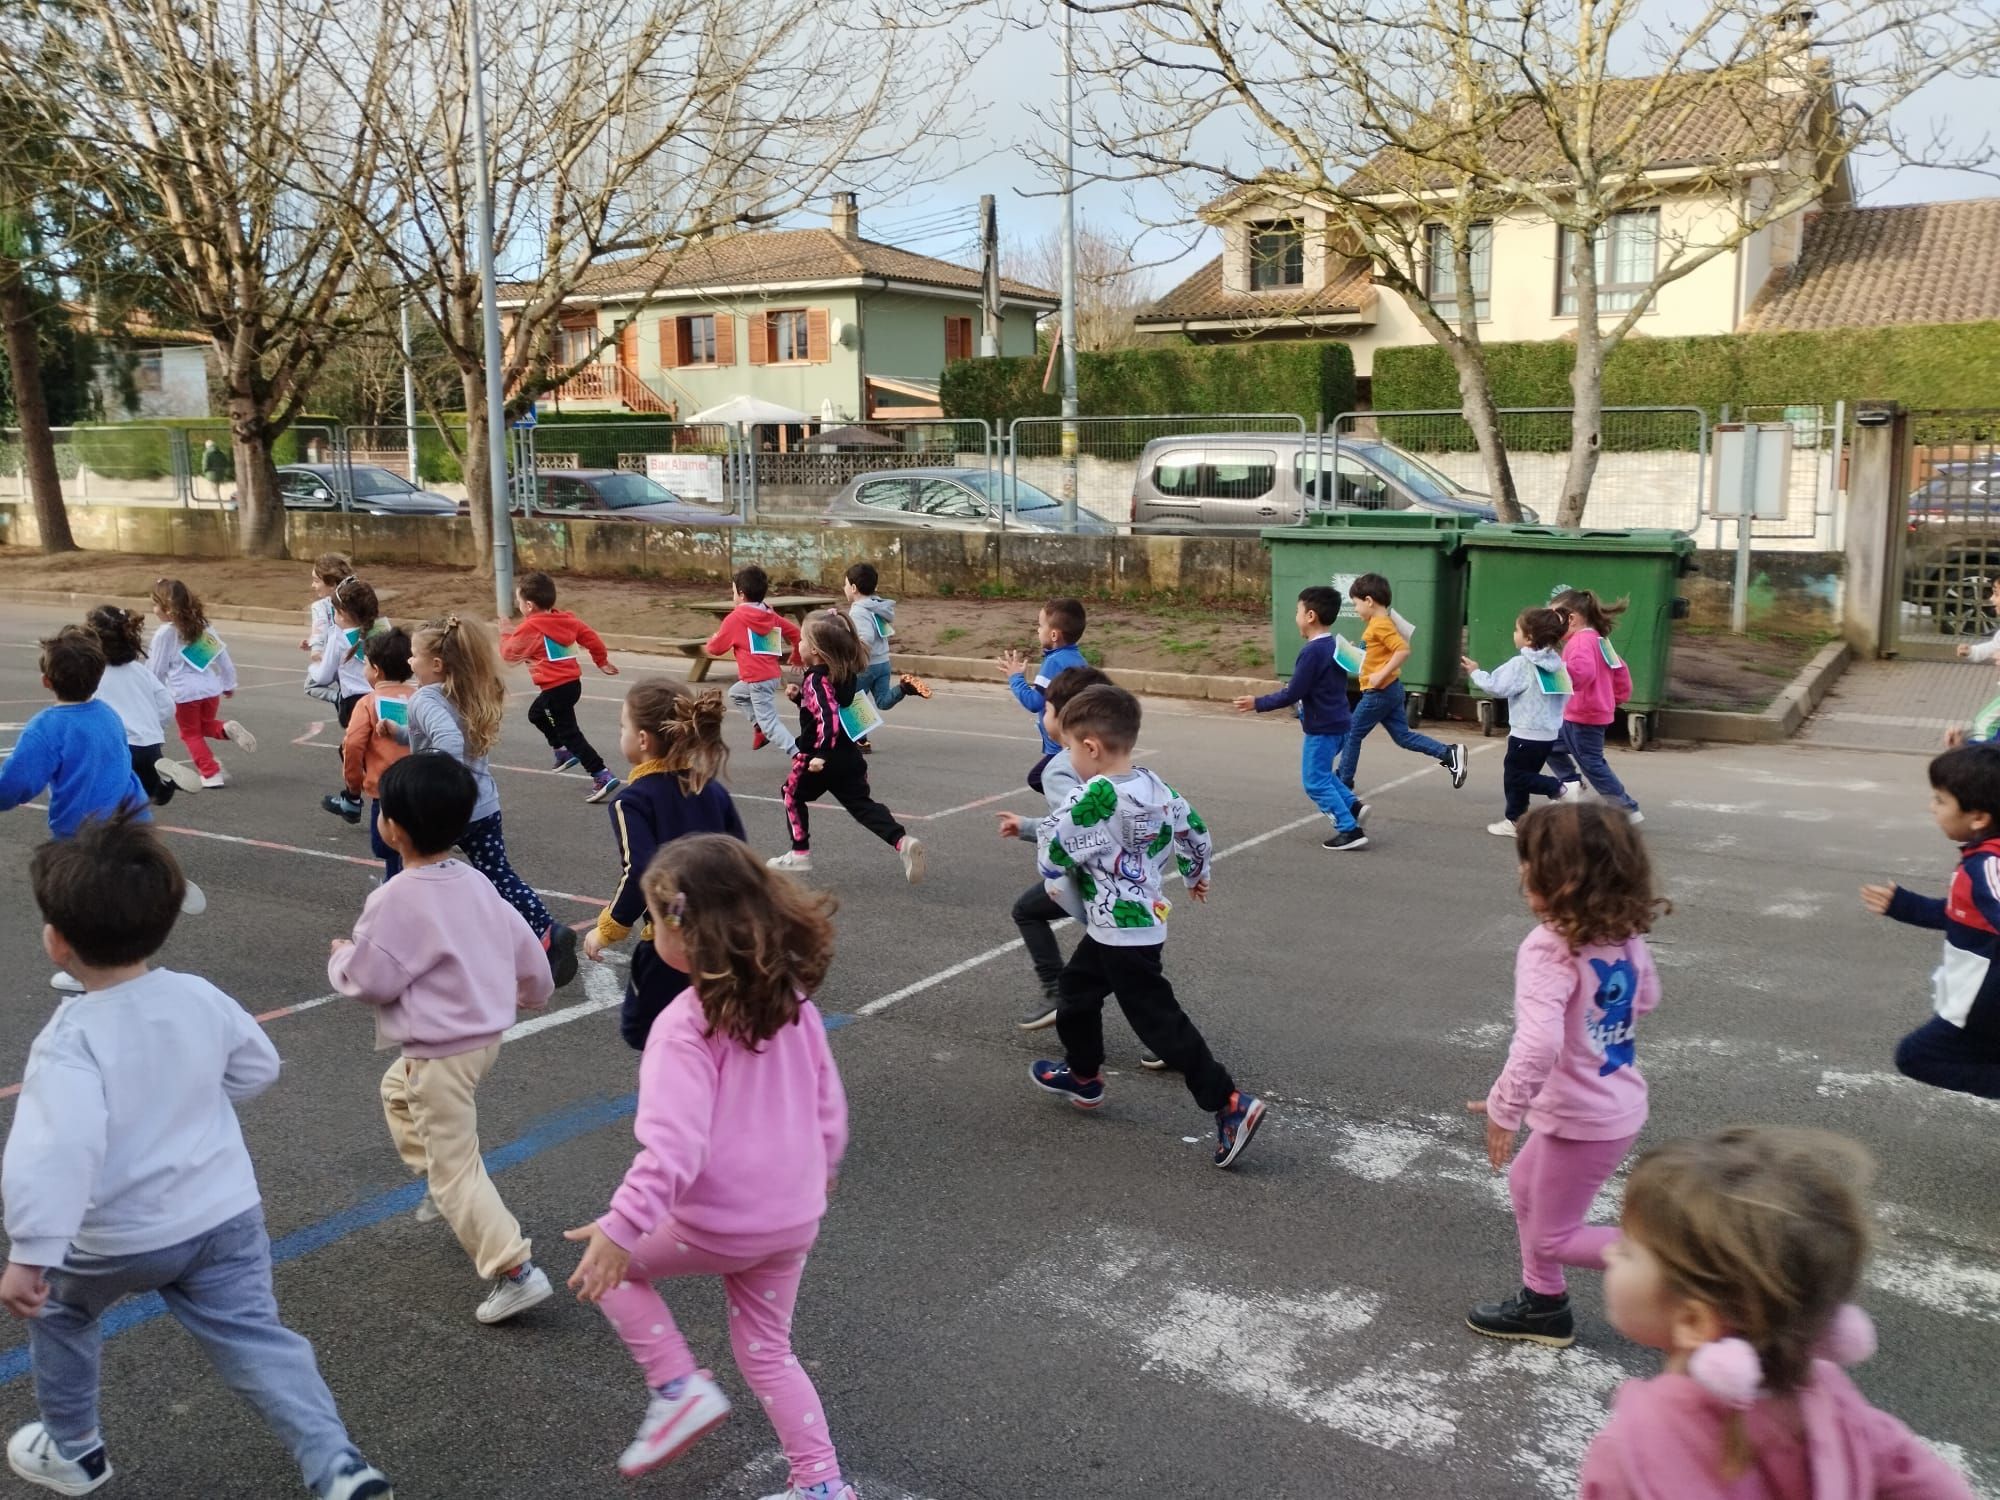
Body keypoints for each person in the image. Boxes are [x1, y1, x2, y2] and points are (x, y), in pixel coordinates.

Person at [1, 813, 393, 1500]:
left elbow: (54, 1151)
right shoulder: (196, 996)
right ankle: (338, 1465)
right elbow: (257, 1068)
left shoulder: (69, 1041)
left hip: (109, 1237)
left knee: (61, 1319)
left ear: (56, 943)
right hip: (222, 1216)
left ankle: (75, 1450)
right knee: (257, 1339)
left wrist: (30, 1253)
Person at [565, 835, 855, 1499]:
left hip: (721, 1219)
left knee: (607, 1271)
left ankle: (677, 1385)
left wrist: (619, 1226)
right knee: (768, 1353)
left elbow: (673, 1149)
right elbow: (828, 1103)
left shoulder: (683, 1026)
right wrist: (825, 1167)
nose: (646, 927)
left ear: (681, 929)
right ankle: (821, 1485)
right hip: (792, 1218)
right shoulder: (793, 1004)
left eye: (651, 916)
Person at [1579, 1126, 1976, 1500]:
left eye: (1627, 1250)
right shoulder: (1829, 1401)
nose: (1608, 1251)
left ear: (1693, 1321)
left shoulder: (1631, 1450)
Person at [327, 752, 556, 1328]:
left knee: (458, 1166)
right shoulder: (474, 880)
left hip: (441, 1049)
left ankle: (514, 1270)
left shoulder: (396, 898)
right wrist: (534, 990)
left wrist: (340, 962)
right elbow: (524, 945)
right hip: (481, 1039)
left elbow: (371, 979)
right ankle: (439, 1181)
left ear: (393, 828)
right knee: (397, 1093)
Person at [1027, 684, 1267, 1168]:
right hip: (1133, 924)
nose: (1069, 758)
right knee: (1076, 991)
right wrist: (1197, 874)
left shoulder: (1092, 795)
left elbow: (1054, 847)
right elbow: (1196, 831)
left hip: (1119, 931)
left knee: (1159, 1021)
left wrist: (1054, 875)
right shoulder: (1155, 785)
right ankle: (1084, 1074)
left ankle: (1229, 1103)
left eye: (1071, 748)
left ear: (1091, 747)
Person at [1465, 800, 1665, 1347]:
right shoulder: (1623, 931)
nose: (1520, 871)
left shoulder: (1548, 947)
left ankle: (1679, 1263)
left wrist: (1507, 1106)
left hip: (1583, 1116)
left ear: (1563, 882)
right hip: (1611, 1102)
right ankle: (1543, 1305)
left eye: (1530, 863)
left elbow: (1540, 1042)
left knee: (1555, 1236)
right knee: (1526, 1183)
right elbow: (1645, 998)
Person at [377, 616, 579, 986]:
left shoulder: (425, 697)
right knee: (498, 874)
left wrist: (433, 784)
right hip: (483, 804)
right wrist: (400, 732)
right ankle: (546, 931)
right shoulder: (466, 690)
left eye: (415, 656)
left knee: (417, 870)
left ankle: (409, 944)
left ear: (436, 664)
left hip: (447, 809)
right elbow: (435, 734)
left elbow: (448, 743)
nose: (409, 662)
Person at [583, 679, 747, 1050]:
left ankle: (676, 1099)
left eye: (623, 726)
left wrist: (608, 928)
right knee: (716, 1031)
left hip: (667, 945)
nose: (620, 733)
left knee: (648, 1033)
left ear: (642, 740)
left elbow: (640, 871)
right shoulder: (711, 788)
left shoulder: (632, 801)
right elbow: (741, 857)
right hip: (723, 940)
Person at [1859, 742, 2000, 1100]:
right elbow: (1966, 916)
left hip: (1981, 1003)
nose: (1931, 807)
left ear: (1978, 817)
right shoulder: (1982, 859)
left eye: (1940, 800)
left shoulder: (1986, 866)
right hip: (1977, 996)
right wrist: (1905, 906)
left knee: (1917, 1055)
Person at [769, 612, 925, 883]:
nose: (799, 644)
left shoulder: (816, 680)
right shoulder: (843, 674)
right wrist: (800, 700)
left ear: (815, 650)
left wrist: (821, 755)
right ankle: (903, 842)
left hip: (821, 755)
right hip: (848, 756)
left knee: (791, 794)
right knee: (862, 805)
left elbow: (827, 718)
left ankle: (800, 853)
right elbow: (826, 710)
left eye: (803, 639)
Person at [1234, 585, 1368, 852]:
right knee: (1322, 773)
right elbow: (1355, 668)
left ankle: (1349, 829)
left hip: (1323, 728)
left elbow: (1293, 692)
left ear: (1310, 616)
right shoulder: (1334, 644)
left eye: (1297, 611)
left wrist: (1256, 703)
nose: (1295, 617)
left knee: (1314, 781)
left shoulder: (1312, 652)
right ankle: (1353, 806)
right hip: (1341, 723)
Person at [498, 569, 622, 803]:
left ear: (530, 605)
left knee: (570, 733)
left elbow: (509, 655)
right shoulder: (566, 620)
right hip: (571, 684)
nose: (518, 605)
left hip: (556, 688)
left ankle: (601, 774)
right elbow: (591, 638)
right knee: (536, 714)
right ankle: (562, 750)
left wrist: (505, 633)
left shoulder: (531, 626)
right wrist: (601, 661)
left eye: (519, 601)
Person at [1335, 573, 1467, 791]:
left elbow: (1403, 649)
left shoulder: (1380, 625)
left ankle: (1344, 781)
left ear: (1369, 601)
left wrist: (1381, 674)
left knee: (1351, 733)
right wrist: (1354, 651)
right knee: (1403, 737)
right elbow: (1376, 653)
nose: (1356, 609)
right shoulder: (1378, 624)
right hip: (1391, 690)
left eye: (1356, 604)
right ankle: (1449, 753)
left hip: (1379, 692)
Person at [1462, 606, 1574, 837]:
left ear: (1529, 637)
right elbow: (1564, 695)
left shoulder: (1521, 664)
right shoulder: (1557, 664)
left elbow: (1497, 686)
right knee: (1521, 777)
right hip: (1548, 734)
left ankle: (1560, 789)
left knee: (1515, 776)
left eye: (1517, 630)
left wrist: (1475, 672)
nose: (1514, 634)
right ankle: (1516, 820)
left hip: (1526, 733)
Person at [84, 604, 202, 809]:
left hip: (119, 747)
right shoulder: (140, 671)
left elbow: (87, 711)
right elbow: (166, 703)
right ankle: (166, 783)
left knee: (111, 801)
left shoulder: (94, 674)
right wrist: (155, 729)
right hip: (150, 744)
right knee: (154, 796)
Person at [323, 629, 416, 881]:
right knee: (415, 848)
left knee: (387, 847)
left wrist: (354, 787)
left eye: (364, 665)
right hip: (421, 788)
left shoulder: (367, 703)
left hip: (386, 791)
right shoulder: (421, 698)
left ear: (376, 670)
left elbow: (352, 746)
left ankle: (398, 894)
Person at [149, 577, 256, 789]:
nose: (153, 609)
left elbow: (156, 670)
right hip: (209, 690)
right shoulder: (203, 626)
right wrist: (228, 683)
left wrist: (151, 695)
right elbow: (222, 658)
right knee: (205, 726)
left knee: (190, 734)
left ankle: (210, 773)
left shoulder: (165, 634)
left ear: (167, 609)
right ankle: (226, 729)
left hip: (183, 694)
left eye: (154, 604)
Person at [1546, 587, 1642, 821]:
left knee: (1592, 764)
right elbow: (1621, 672)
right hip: (1582, 714)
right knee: (1547, 743)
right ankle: (1571, 785)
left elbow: (1582, 673)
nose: (1549, 624)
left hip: (1583, 716)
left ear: (1571, 618)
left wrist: (1554, 676)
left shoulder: (1578, 643)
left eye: (1553, 618)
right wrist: (1613, 699)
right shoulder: (1600, 640)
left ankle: (1625, 808)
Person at [705, 565, 802, 755]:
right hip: (770, 676)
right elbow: (796, 633)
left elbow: (715, 649)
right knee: (736, 694)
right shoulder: (769, 614)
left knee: (770, 724)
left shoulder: (735, 618)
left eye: (732, 592)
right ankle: (759, 727)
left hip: (757, 680)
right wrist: (797, 657)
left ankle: (798, 754)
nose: (732, 596)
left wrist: (714, 637)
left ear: (741, 594)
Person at [997, 597, 1087, 794]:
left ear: (1054, 634)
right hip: (1077, 741)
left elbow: (1034, 702)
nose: (1038, 630)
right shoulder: (1078, 659)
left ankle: (1075, 812)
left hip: (1062, 745)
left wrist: (1015, 678)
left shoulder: (1054, 663)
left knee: (1039, 778)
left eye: (1040, 625)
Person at [843, 563, 931, 718]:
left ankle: (860, 739)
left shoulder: (858, 610)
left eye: (845, 584)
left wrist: (850, 655)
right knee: (882, 701)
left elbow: (865, 638)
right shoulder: (877, 606)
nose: (844, 588)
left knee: (850, 702)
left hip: (866, 666)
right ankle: (904, 688)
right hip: (883, 663)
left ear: (854, 588)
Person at [301, 553, 351, 681]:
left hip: (333, 659)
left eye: (316, 581)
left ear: (332, 583)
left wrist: (316, 650)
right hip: (356, 662)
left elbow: (320, 628)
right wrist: (311, 641)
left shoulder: (320, 606)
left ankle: (339, 699)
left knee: (311, 684)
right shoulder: (358, 599)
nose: (313, 585)